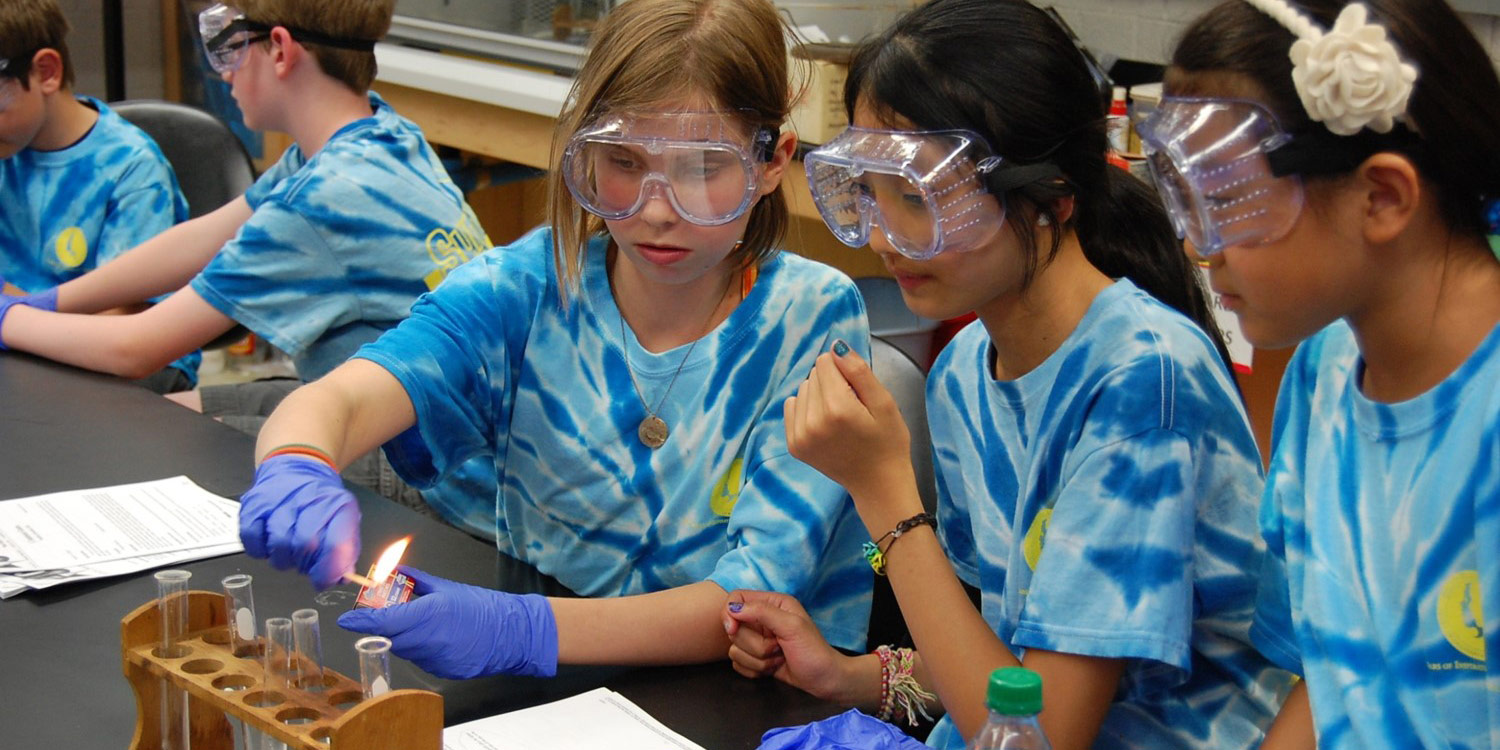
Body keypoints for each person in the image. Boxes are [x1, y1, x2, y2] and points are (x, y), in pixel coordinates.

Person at [237, 0, 874, 679]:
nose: (655, 210)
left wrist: (522, 629)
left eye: (700, 168)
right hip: (560, 683)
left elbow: (752, 600)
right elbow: (349, 395)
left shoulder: (812, 316)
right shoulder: (529, 284)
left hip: (733, 699)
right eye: (623, 161)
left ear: (773, 161)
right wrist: (297, 460)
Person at [719, 1, 1294, 748]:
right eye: (868, 190)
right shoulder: (963, 372)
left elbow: (1040, 731)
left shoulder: (1142, 382)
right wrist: (848, 675)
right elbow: (1004, 664)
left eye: (919, 195)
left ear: (1050, 198)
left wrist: (885, 498)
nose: (886, 235)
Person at [1137, 1, 1500, 748]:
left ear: (1382, 196)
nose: (1202, 250)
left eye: (1228, 200)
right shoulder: (1323, 375)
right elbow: (1333, 678)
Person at [0, 0, 489, 420]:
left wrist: (7, 317)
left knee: (151, 438)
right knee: (169, 415)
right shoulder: (377, 135)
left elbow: (136, 348)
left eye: (229, 45)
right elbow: (198, 239)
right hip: (415, 413)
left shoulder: (324, 197)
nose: (224, 69)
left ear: (280, 49)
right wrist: (46, 303)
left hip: (432, 470)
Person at [0, 0, 198, 393]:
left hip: (126, 364)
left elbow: (127, 323)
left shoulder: (130, 169)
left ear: (46, 72)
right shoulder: (8, 145)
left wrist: (15, 310)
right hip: (26, 350)